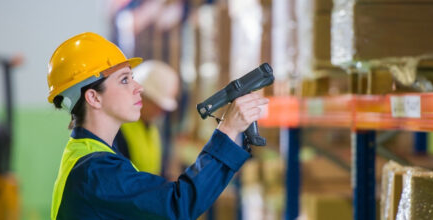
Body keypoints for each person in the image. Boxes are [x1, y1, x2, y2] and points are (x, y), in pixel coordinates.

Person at [47, 32, 268, 219]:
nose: (138, 87)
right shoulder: (94, 171)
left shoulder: (92, 156)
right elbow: (177, 205)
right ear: (94, 98)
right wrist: (228, 130)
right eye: (124, 80)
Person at [114, 60, 180, 175]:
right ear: (140, 94)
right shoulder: (116, 130)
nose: (160, 111)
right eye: (155, 104)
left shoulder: (152, 127)